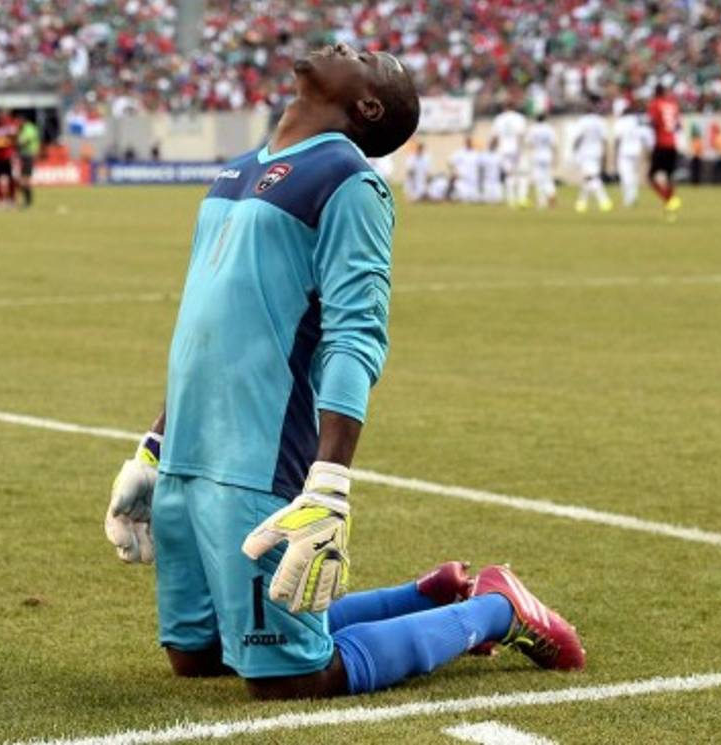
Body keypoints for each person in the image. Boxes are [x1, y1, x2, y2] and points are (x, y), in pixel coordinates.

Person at [103, 42, 585, 701]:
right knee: (201, 654)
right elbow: (207, 330)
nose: (350, 45)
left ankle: (495, 609)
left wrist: (328, 484)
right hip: (189, 458)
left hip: (258, 461)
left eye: (370, 57)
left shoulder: (349, 183)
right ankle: (423, 595)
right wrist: (153, 448)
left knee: (294, 676)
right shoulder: (238, 170)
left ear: (366, 104)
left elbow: (355, 334)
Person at [570, 104, 613, 213]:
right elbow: (605, 139)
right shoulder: (600, 121)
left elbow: (577, 137)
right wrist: (605, 153)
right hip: (597, 152)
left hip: (585, 153)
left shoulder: (582, 121)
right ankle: (581, 203)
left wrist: (574, 150)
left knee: (591, 178)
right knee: (588, 178)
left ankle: (604, 201)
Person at [646, 84, 682, 215]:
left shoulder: (655, 104)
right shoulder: (673, 105)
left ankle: (668, 199)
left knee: (650, 176)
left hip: (661, 143)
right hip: (673, 144)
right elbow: (678, 125)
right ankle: (670, 202)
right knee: (669, 176)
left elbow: (653, 122)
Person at [615, 109, 653, 207]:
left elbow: (617, 138)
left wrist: (616, 151)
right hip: (636, 151)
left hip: (624, 152)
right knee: (634, 176)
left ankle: (628, 199)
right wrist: (649, 152)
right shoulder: (638, 121)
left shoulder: (621, 122)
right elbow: (647, 137)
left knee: (625, 176)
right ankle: (633, 197)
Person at [490, 106, 527, 206]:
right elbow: (521, 135)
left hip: (503, 150)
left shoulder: (499, 118)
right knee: (521, 174)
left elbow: (494, 136)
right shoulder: (519, 118)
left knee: (508, 175)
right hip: (515, 149)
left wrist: (490, 148)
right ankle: (521, 199)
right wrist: (520, 149)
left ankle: (511, 200)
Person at [521, 113, 558, 209]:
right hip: (547, 155)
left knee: (539, 180)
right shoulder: (549, 129)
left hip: (537, 155)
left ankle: (541, 202)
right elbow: (553, 144)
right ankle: (551, 193)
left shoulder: (533, 129)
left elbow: (529, 143)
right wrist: (555, 157)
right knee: (547, 178)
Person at [16, 112, 41, 208]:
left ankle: (28, 202)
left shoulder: (29, 129)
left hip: (28, 156)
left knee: (24, 180)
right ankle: (27, 201)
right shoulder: (25, 128)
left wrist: (13, 141)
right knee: (23, 179)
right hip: (25, 156)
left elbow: (23, 141)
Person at [449, 136, 480, 202]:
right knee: (463, 198)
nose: (469, 143)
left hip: (473, 182)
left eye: (470, 141)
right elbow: (450, 162)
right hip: (462, 181)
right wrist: (455, 172)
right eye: (468, 141)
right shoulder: (460, 152)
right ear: (465, 142)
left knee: (474, 199)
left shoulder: (475, 153)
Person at [479, 137, 505, 203]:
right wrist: (480, 183)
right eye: (491, 143)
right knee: (485, 200)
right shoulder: (483, 155)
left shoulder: (499, 155)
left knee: (498, 200)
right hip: (486, 183)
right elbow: (480, 170)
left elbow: (502, 170)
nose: (492, 145)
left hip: (496, 183)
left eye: (494, 144)